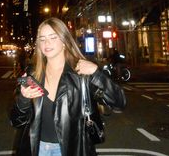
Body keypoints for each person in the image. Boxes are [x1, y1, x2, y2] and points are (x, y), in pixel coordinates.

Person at [9, 17, 126, 156]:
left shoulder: (81, 73)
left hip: (73, 150)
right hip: (35, 149)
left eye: (53, 37)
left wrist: (96, 74)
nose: (47, 43)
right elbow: (16, 121)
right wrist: (23, 99)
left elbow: (119, 103)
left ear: (64, 41)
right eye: (42, 38)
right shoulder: (32, 74)